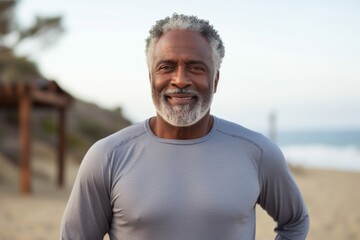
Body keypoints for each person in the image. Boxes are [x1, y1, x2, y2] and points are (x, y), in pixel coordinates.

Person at [60, 13, 309, 240]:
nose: (180, 80)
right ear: (151, 78)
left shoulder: (258, 153)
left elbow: (295, 221)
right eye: (166, 67)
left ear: (215, 80)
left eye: (196, 67)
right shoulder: (107, 156)